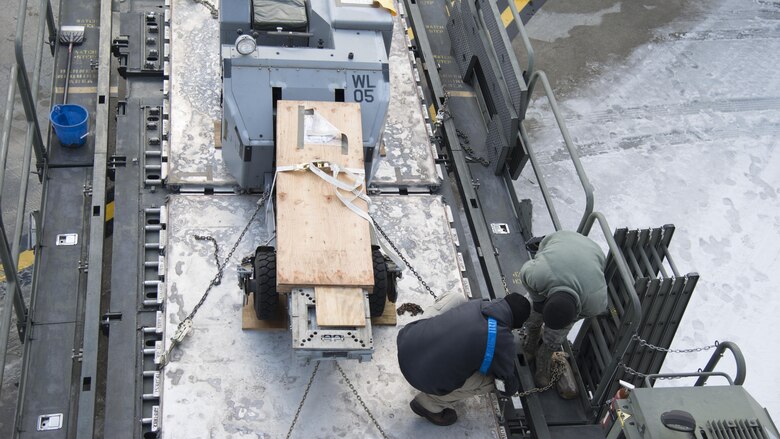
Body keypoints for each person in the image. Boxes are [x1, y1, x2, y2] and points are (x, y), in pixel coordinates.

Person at [396, 292, 531, 426]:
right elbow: (506, 384)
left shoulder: (478, 303)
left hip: (406, 343)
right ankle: (429, 403)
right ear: (515, 325)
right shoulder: (502, 338)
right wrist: (512, 385)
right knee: (492, 382)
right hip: (421, 377)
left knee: (457, 298)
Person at [519, 230, 608, 387]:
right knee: (532, 315)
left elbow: (578, 316)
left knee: (555, 337)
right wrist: (538, 301)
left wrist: (568, 321)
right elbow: (524, 274)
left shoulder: (595, 302)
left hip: (593, 252)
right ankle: (531, 340)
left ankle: (543, 359)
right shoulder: (539, 274)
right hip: (561, 238)